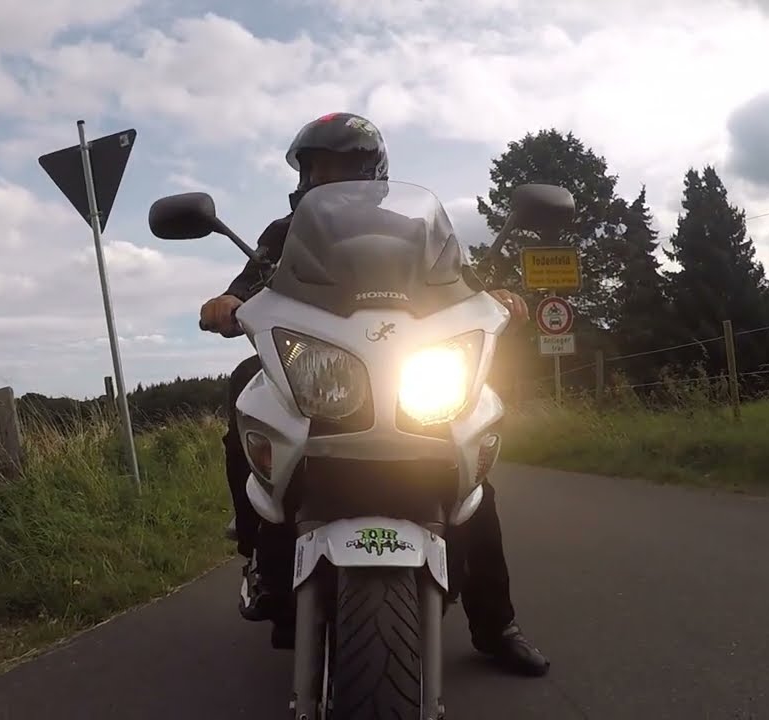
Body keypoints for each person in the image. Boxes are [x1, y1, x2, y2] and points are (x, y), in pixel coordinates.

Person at [201, 112, 550, 677]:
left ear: (370, 169)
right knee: (247, 389)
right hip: (320, 363)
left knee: (471, 477)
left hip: (408, 363)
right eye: (314, 166)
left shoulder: (414, 230)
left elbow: (460, 280)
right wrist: (225, 300)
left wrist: (497, 294)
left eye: (336, 163)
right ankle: (258, 552)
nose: (322, 175)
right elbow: (249, 284)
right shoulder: (282, 233)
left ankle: (497, 624)